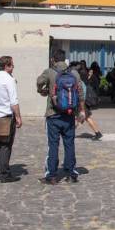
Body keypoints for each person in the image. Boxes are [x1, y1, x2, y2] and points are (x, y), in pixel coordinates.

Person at [37, 49, 85, 184]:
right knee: (69, 144)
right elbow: (80, 93)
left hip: (53, 114)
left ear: (53, 59)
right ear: (65, 59)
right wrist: (82, 111)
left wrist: (42, 90)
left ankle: (51, 175)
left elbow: (39, 82)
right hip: (69, 115)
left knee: (53, 145)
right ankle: (71, 174)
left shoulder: (49, 72)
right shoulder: (74, 73)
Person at [0, 56, 22, 183]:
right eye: (12, 65)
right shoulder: (9, 79)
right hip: (6, 116)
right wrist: (18, 116)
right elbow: (14, 101)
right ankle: (5, 174)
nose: (13, 67)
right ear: (7, 66)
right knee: (5, 146)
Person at [80, 66, 104, 141]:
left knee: (87, 118)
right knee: (82, 118)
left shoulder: (83, 82)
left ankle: (97, 133)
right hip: (86, 102)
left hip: (83, 103)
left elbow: (82, 94)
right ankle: (97, 133)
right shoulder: (85, 81)